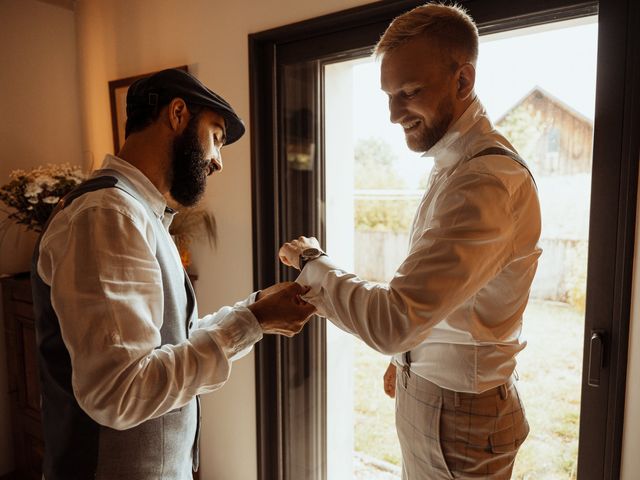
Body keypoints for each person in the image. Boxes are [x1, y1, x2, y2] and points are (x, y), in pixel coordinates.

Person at [279, 3, 541, 479]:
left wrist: (312, 263)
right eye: (388, 95)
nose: (394, 113)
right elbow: (443, 300)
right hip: (437, 395)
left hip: (460, 412)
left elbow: (394, 320)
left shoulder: (484, 182)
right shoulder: (454, 168)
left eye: (409, 92)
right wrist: (409, 365)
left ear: (463, 81)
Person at [31, 68, 315, 480]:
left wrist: (256, 314)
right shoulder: (108, 215)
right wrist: (253, 322)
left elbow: (166, 344)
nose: (218, 160)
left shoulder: (138, 213)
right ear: (178, 114)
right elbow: (121, 393)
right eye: (216, 137)